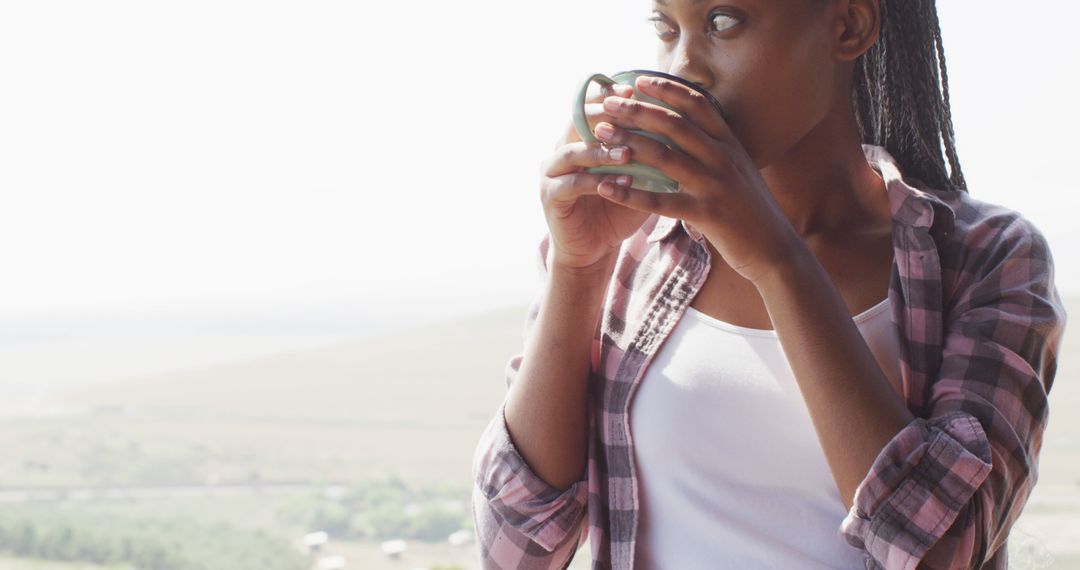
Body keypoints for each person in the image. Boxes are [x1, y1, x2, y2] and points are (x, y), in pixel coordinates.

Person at [470, 0, 1068, 568]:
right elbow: (516, 548)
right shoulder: (628, 247)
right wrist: (578, 271)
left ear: (848, 26)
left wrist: (775, 259)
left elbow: (948, 551)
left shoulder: (988, 256)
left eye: (724, 21)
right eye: (667, 27)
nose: (685, 68)